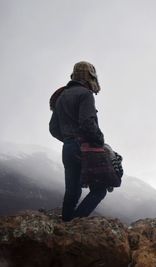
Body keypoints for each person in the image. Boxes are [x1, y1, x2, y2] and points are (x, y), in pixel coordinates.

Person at [49, 61, 107, 222]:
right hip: (85, 148)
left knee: (72, 191)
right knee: (99, 189)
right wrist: (100, 141)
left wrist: (68, 140)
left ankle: (65, 224)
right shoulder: (85, 94)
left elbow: (53, 128)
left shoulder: (61, 96)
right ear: (90, 76)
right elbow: (88, 123)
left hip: (67, 148)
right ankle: (76, 224)